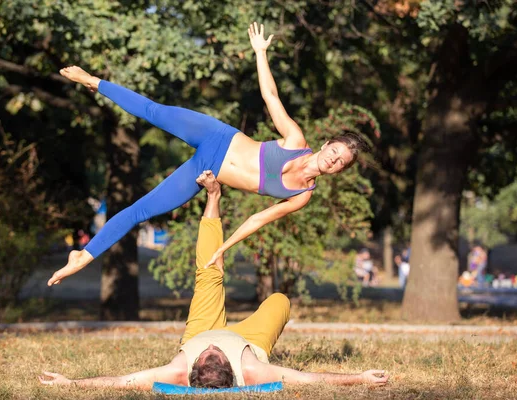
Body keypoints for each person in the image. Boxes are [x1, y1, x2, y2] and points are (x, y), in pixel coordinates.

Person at [46, 22, 370, 286]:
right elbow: (270, 96)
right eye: (336, 151)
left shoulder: (301, 195)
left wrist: (222, 248)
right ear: (327, 144)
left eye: (342, 162)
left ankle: (83, 255)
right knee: (152, 110)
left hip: (205, 172)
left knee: (140, 211)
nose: (334, 159)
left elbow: (256, 220)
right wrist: (260, 53)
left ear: (340, 171)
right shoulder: (295, 139)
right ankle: (93, 81)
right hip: (216, 135)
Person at [39, 171, 389, 390]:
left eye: (204, 357)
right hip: (251, 341)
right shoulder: (249, 369)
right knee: (280, 300)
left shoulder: (180, 368)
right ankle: (272, 300)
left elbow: (122, 381)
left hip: (200, 327)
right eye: (216, 357)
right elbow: (306, 379)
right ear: (229, 368)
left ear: (193, 369)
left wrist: (71, 383)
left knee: (208, 271)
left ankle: (213, 197)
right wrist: (359, 378)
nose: (211, 352)